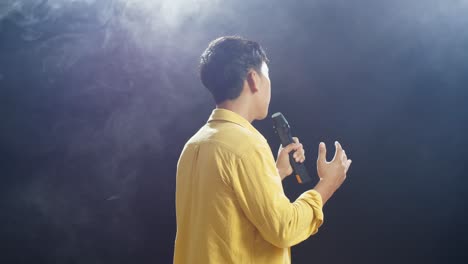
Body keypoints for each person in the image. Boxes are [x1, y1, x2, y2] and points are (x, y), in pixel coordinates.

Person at [173, 36, 352, 264]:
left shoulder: (194, 145)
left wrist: (277, 172)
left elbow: (227, 214)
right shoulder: (246, 145)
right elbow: (284, 228)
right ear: (253, 79)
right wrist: (328, 183)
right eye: (267, 76)